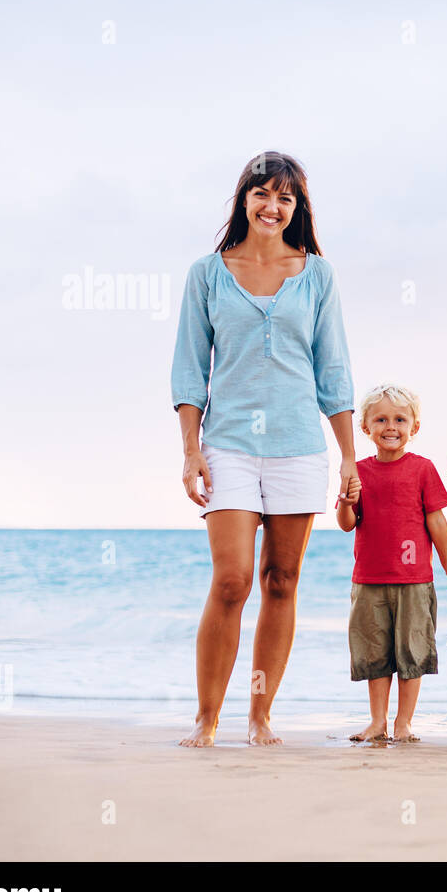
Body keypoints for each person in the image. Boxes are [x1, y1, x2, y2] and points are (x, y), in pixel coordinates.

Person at [170, 150, 356, 747]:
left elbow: (334, 372)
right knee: (232, 581)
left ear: (296, 207)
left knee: (282, 581)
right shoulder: (208, 273)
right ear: (243, 200)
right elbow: (189, 367)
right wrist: (190, 449)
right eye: (262, 194)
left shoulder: (318, 275)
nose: (272, 207)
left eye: (285, 197)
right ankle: (207, 717)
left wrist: (350, 457)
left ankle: (259, 716)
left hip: (299, 446)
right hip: (226, 444)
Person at [336, 383, 447, 743]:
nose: (391, 426)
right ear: (366, 428)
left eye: (400, 419)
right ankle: (377, 721)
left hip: (415, 580)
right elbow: (347, 524)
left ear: (414, 427)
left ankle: (404, 723)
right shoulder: (356, 471)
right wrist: (345, 500)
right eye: (382, 419)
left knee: (412, 651)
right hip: (369, 580)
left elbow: (436, 520)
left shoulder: (423, 469)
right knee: (374, 654)